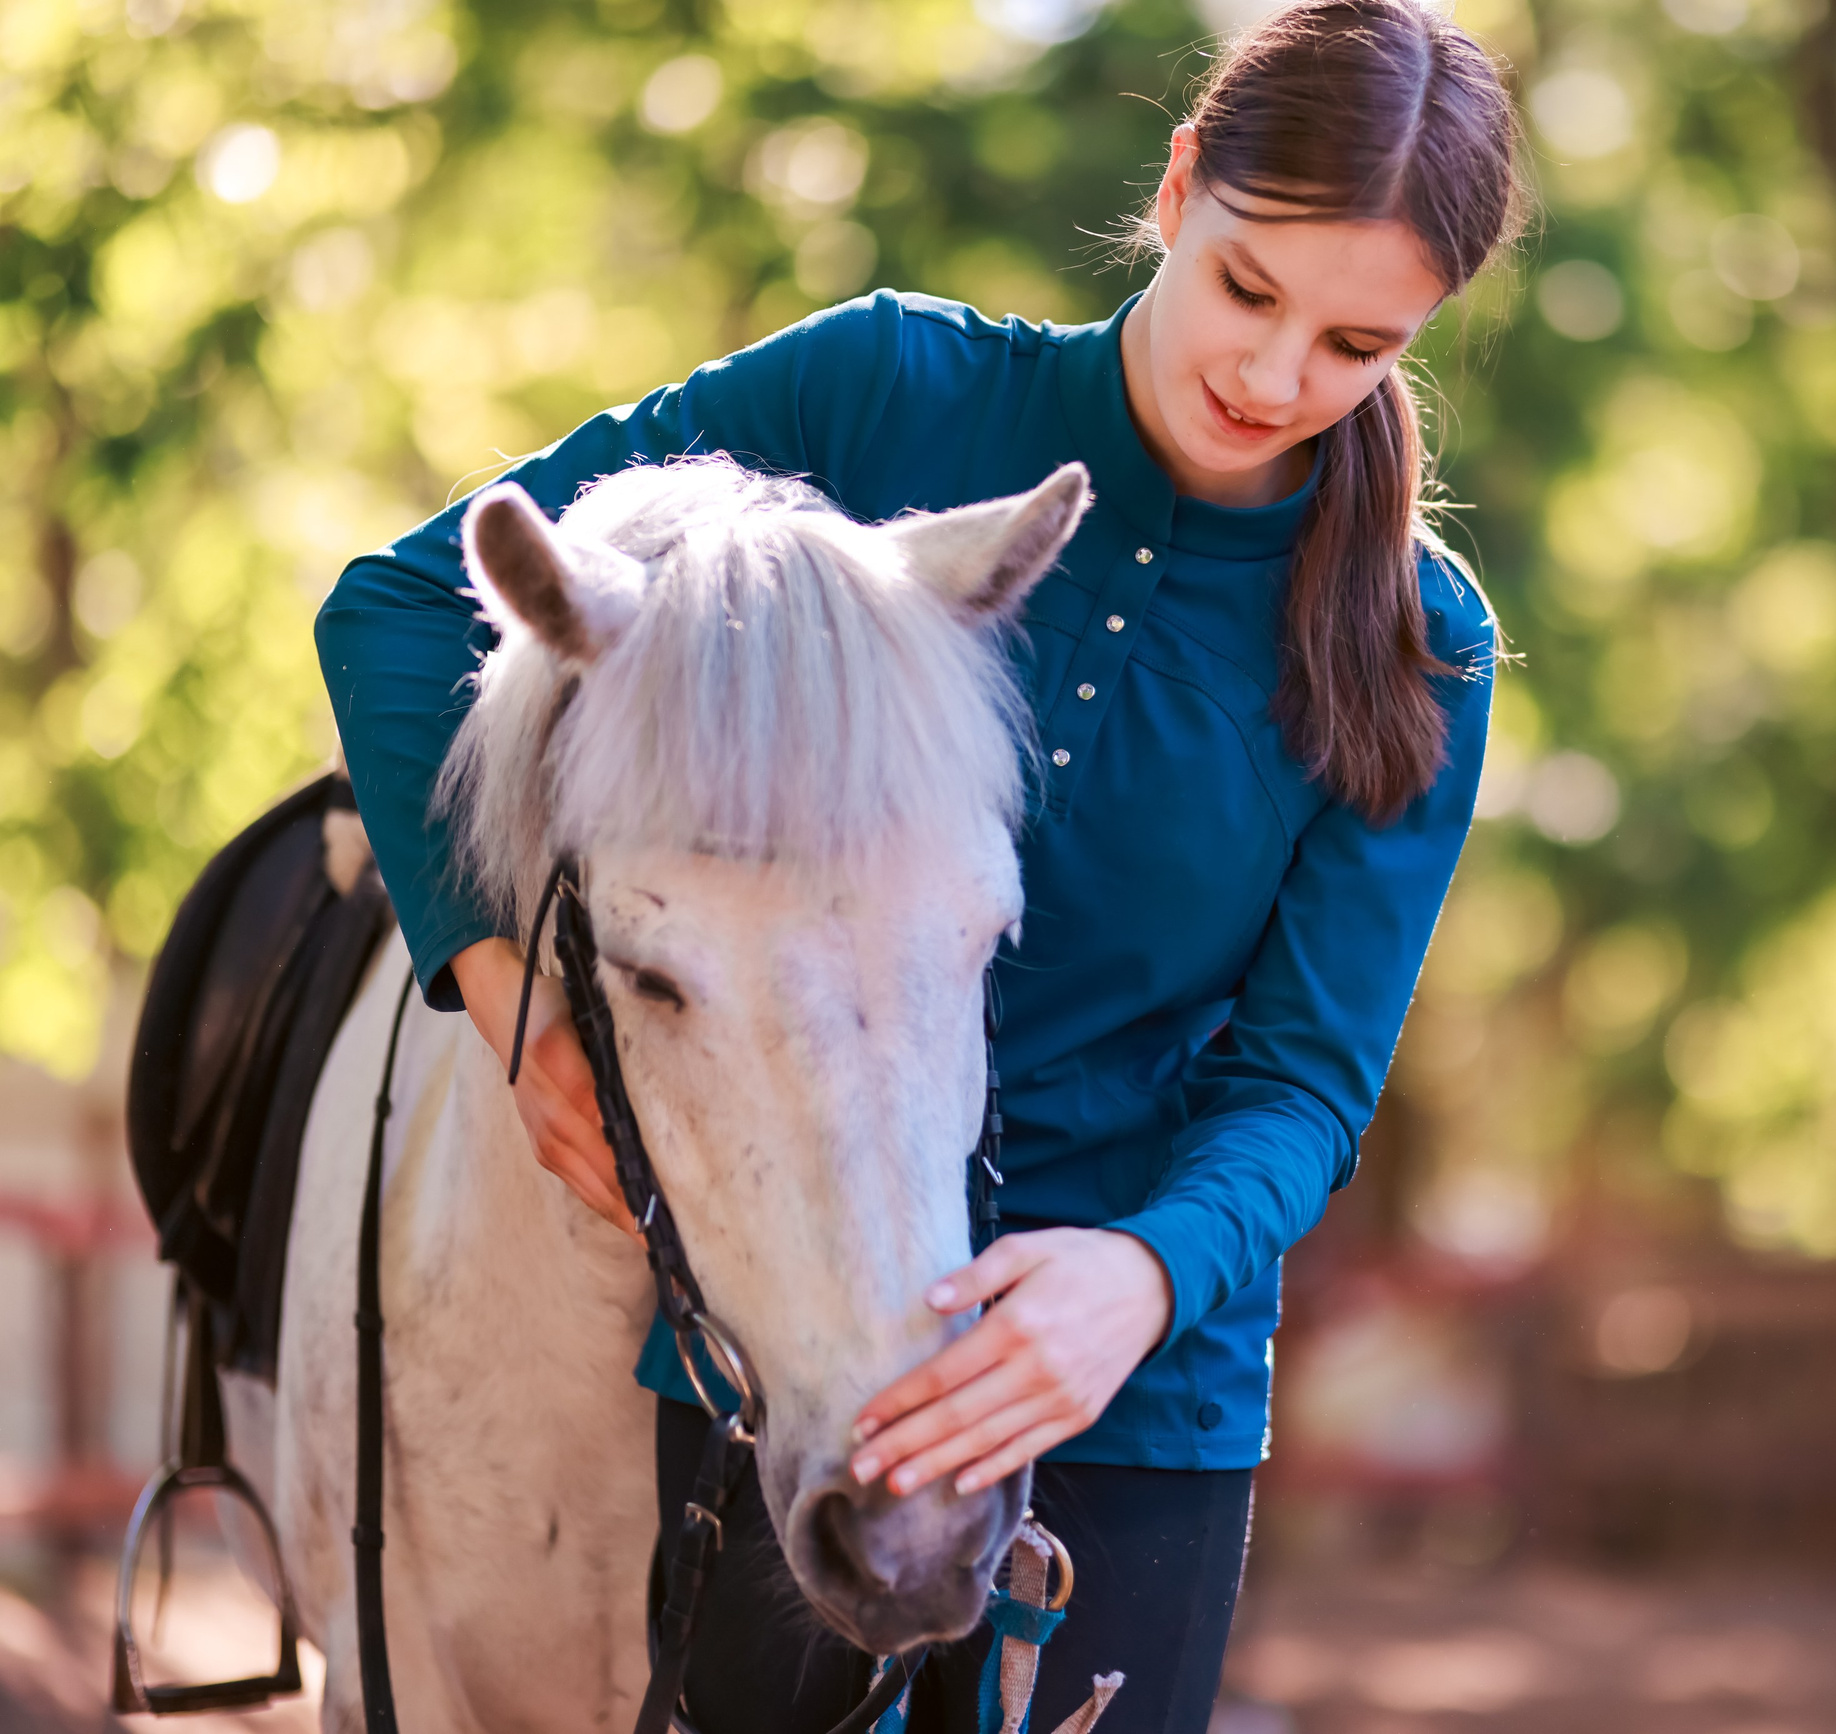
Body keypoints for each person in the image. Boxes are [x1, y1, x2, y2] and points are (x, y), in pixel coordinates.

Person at [315, 2, 1522, 1728]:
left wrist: (1148, 1275)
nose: (1273, 379)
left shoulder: (1422, 648)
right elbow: (402, 604)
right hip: (773, 1359)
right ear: (1181, 189)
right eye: (1249, 290)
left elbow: (1306, 1084)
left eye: (1355, 345)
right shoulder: (881, 391)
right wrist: (499, 985)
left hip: (1127, 1400)